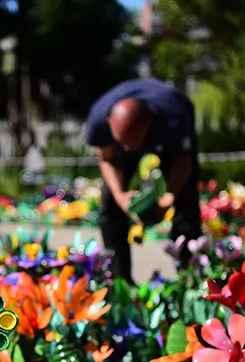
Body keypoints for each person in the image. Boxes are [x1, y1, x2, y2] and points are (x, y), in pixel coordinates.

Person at [85, 79, 202, 284]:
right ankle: (119, 279)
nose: (128, 149)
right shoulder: (99, 120)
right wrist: (121, 196)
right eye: (122, 143)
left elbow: (183, 161)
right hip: (129, 132)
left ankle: (190, 274)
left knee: (186, 201)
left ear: (148, 124)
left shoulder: (174, 117)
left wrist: (170, 194)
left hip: (168, 132)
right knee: (110, 207)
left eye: (131, 142)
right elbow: (107, 160)